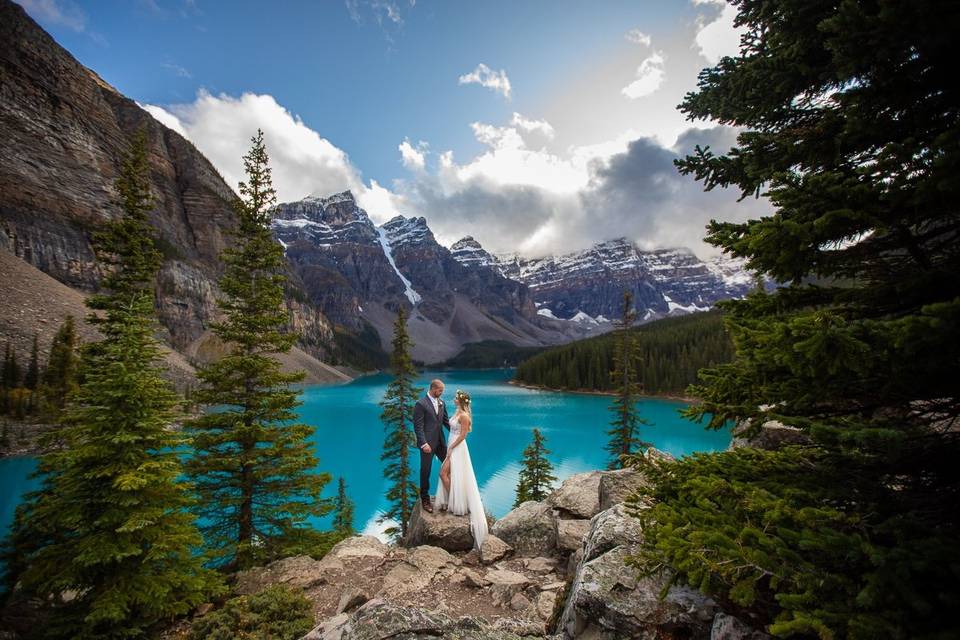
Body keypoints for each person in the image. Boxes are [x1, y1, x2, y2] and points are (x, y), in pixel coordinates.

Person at [434, 389, 488, 550]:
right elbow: (449, 428)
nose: (454, 399)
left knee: (444, 473)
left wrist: (451, 448)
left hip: (457, 448)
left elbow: (463, 435)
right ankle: (455, 500)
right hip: (451, 445)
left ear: (461, 401)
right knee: (447, 474)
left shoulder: (464, 416)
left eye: (456, 398)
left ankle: (457, 502)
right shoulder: (457, 413)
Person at [413, 379, 450, 513]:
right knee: (426, 471)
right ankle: (425, 499)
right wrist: (423, 443)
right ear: (434, 389)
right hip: (427, 444)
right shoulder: (420, 404)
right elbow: (418, 427)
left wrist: (458, 432)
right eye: (440, 391)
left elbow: (446, 422)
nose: (441, 393)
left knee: (450, 466)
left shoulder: (442, 403)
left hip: (440, 443)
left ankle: (450, 496)